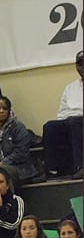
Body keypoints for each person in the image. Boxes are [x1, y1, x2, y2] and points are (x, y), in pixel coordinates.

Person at [42, 50, 83, 181]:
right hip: (71, 122)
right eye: (80, 64)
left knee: (74, 122)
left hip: (79, 122)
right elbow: (62, 113)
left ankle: (80, 167)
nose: (83, 67)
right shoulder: (70, 88)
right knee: (50, 126)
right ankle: (52, 170)